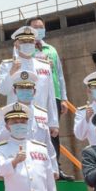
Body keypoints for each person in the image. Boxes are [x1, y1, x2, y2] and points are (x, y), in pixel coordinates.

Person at [27, 18, 72, 180]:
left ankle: (56, 167)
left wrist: (64, 98)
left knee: (53, 132)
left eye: (41, 27)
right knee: (35, 131)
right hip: (35, 96)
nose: (39, 30)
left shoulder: (51, 49)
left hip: (54, 96)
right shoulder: (25, 49)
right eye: (35, 27)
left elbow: (59, 75)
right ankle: (37, 165)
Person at [0, 72, 58, 168]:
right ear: (14, 91)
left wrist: (54, 168)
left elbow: (48, 143)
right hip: (16, 160)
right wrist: (12, 128)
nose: (25, 91)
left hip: (38, 161)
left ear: (34, 91)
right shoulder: (6, 111)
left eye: (28, 88)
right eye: (21, 88)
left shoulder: (42, 113)